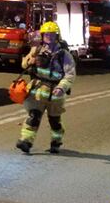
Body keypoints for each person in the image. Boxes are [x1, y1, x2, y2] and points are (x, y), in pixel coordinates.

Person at [16, 20, 76, 154]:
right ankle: (26, 141)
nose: (49, 37)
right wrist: (30, 58)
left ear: (57, 36)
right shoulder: (37, 49)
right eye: (46, 34)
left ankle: (56, 142)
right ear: (42, 35)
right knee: (33, 116)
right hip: (37, 89)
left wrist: (61, 88)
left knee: (54, 121)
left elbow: (70, 74)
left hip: (55, 93)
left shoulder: (63, 54)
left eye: (52, 34)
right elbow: (24, 66)